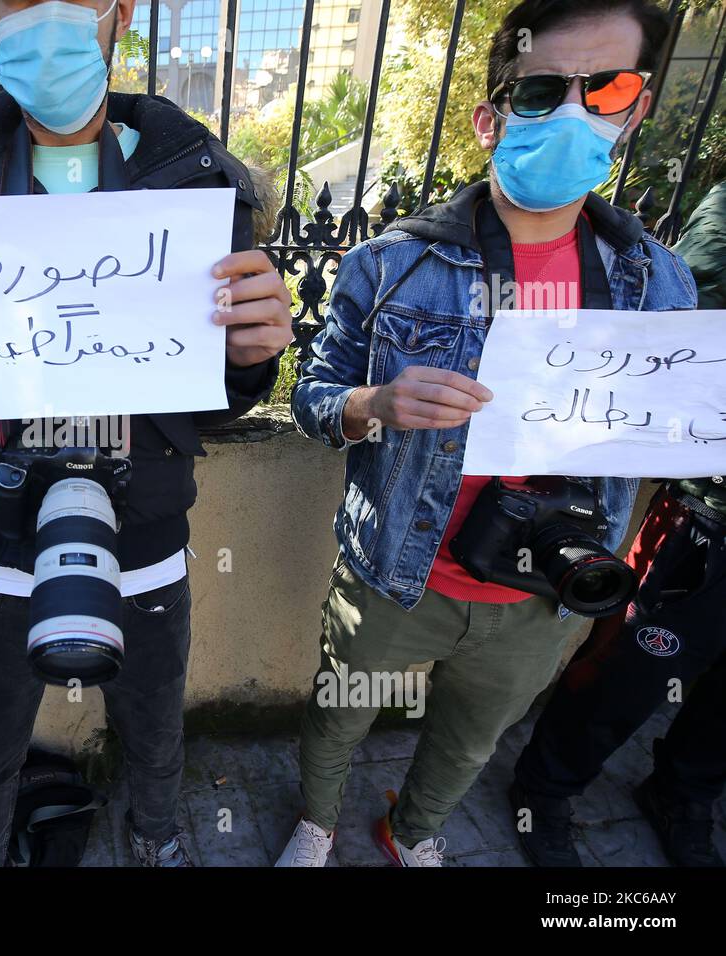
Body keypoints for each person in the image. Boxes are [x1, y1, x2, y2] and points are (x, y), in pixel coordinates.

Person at [0, 0, 291, 866]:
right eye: (18, 0)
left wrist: (250, 356)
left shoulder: (196, 180)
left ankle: (158, 842)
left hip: (148, 537)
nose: (44, 16)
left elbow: (215, 395)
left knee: (155, 725)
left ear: (119, 13)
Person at [283, 0, 697, 867]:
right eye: (544, 90)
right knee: (337, 717)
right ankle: (314, 823)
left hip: (547, 600)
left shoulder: (659, 284)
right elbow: (313, 401)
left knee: (471, 744)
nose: (575, 113)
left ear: (638, 107)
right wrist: (374, 404)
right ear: (490, 116)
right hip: (396, 579)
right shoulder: (390, 261)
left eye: (608, 87)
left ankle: (416, 831)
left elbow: (668, 440)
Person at [512, 177, 726, 868]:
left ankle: (685, 791)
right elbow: (679, 333)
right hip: (709, 510)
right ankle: (545, 789)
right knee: (633, 663)